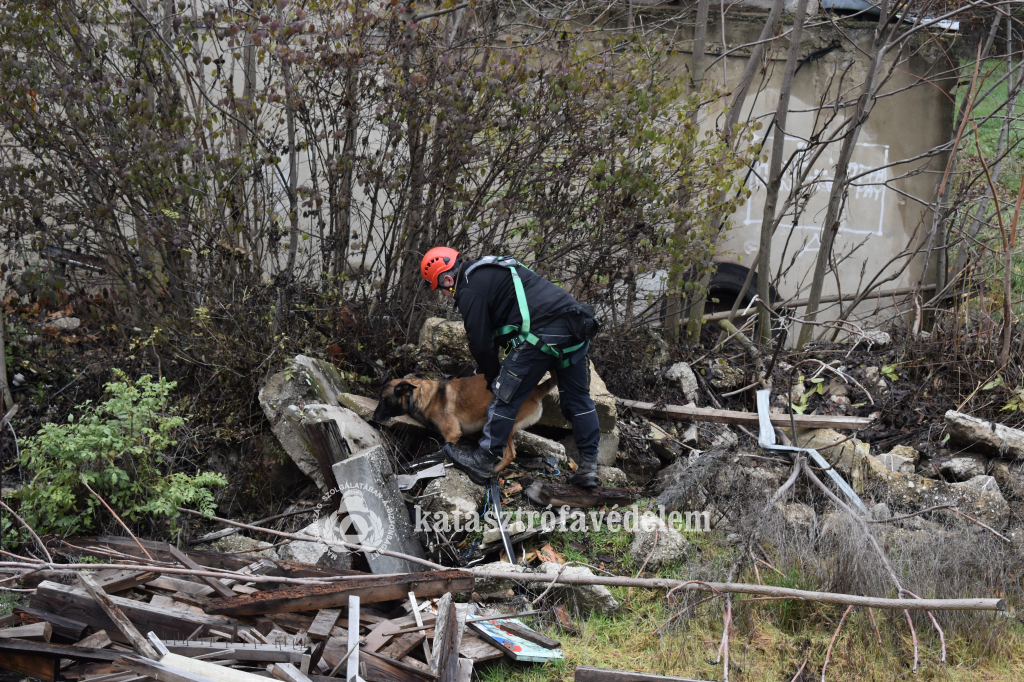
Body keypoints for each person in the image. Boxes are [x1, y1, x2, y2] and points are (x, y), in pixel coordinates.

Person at [420, 246, 601, 487]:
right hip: (576, 328)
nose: (443, 295)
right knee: (579, 400)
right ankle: (589, 468)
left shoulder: (468, 288)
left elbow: (480, 342)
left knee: (505, 396)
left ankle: (483, 460)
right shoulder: (491, 269)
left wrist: (492, 376)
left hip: (542, 336)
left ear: (447, 278)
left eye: (440, 289)